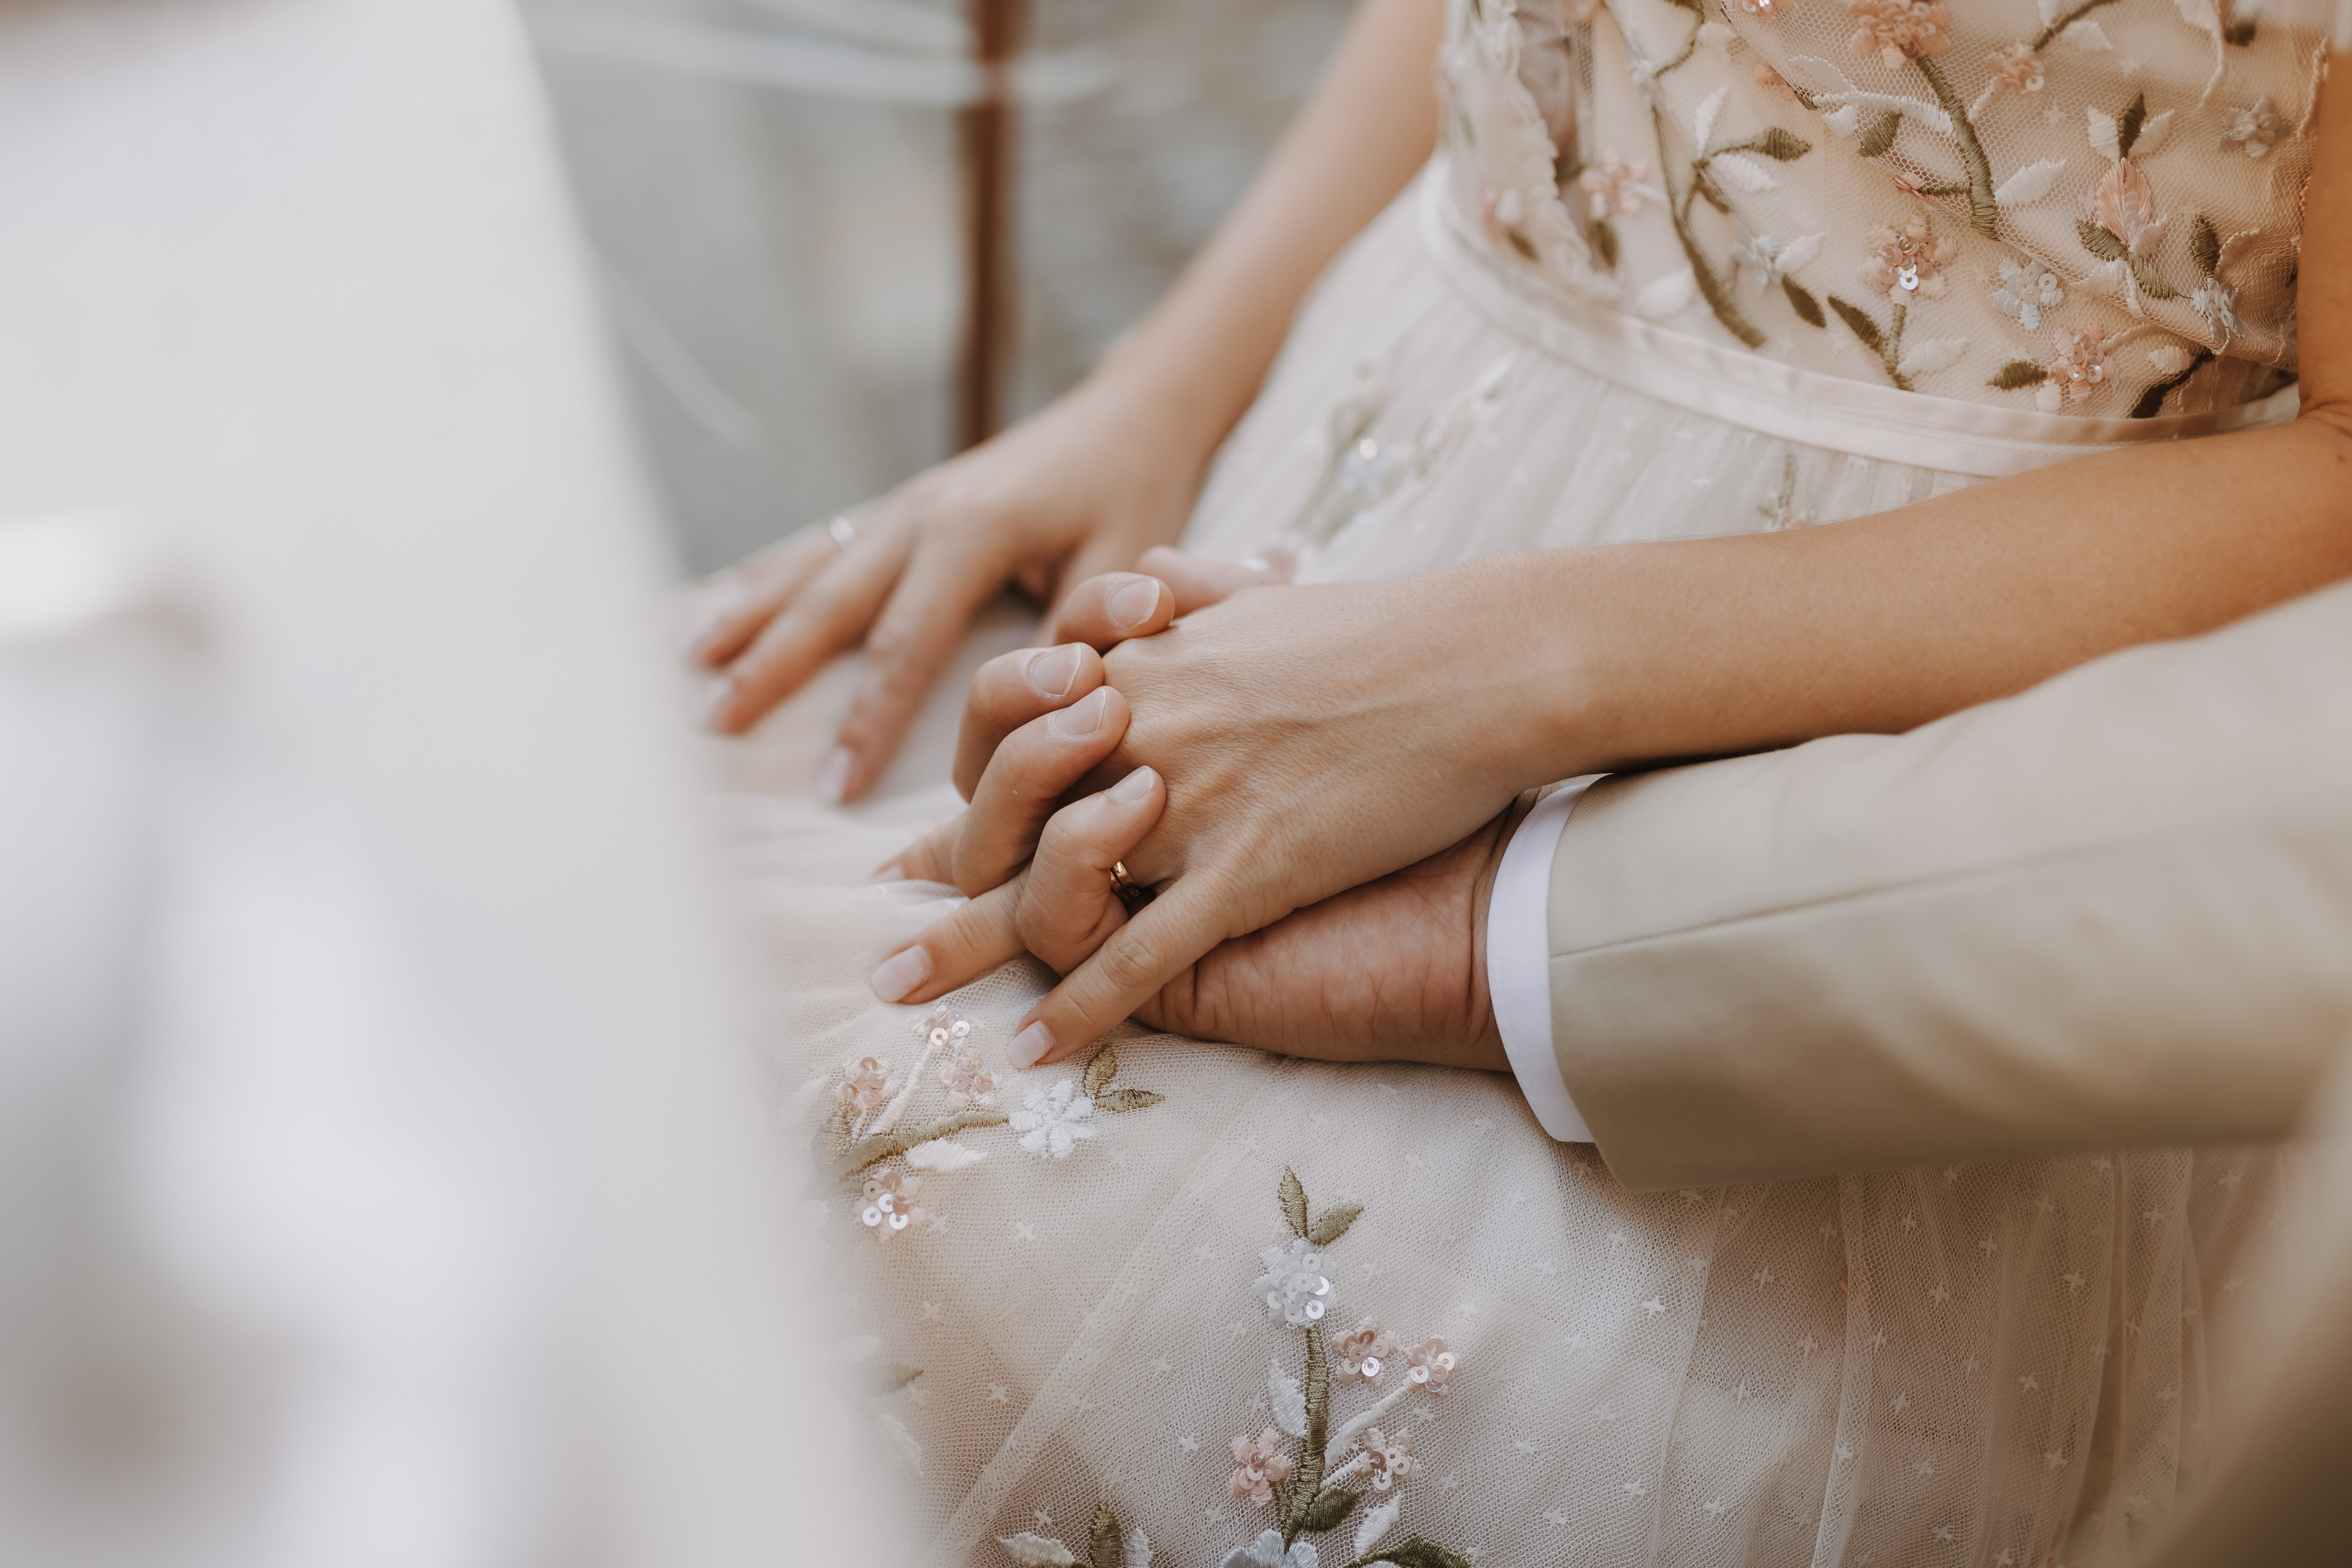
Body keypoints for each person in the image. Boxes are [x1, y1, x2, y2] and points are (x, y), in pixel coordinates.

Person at [692, 0, 2352, 1561]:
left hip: (1874, 752)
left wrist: (1489, 679)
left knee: (786, 1184)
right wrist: (1165, 388)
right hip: (1380, 437)